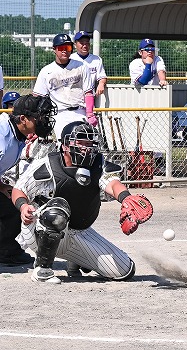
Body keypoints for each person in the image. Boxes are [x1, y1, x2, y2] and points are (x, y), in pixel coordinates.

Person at [11, 121, 153, 284]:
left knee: (125, 271)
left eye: (89, 143)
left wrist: (126, 197)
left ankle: (76, 260)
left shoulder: (98, 164)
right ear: (65, 145)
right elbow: (18, 190)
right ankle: (43, 269)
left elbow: (112, 184)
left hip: (79, 231)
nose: (86, 148)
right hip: (39, 230)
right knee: (56, 210)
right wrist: (23, 206)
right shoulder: (47, 164)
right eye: (81, 143)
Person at [0, 95, 57, 266]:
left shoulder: (14, 133)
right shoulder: (3, 138)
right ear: (23, 119)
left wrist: (2, 186)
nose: (44, 121)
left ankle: (6, 251)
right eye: (39, 117)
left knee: (14, 204)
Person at [32, 34, 97, 138]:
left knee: (83, 143)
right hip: (60, 114)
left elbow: (88, 92)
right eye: (61, 48)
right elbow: (38, 97)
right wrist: (37, 120)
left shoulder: (81, 66)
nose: (65, 51)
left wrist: (90, 113)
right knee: (63, 143)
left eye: (68, 47)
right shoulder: (46, 71)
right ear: (54, 49)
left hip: (80, 111)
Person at [71, 30, 108, 98]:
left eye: (87, 43)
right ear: (75, 44)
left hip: (89, 96)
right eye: (82, 43)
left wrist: (101, 84)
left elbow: (102, 76)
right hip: (73, 96)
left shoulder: (96, 59)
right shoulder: (70, 58)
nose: (85, 46)